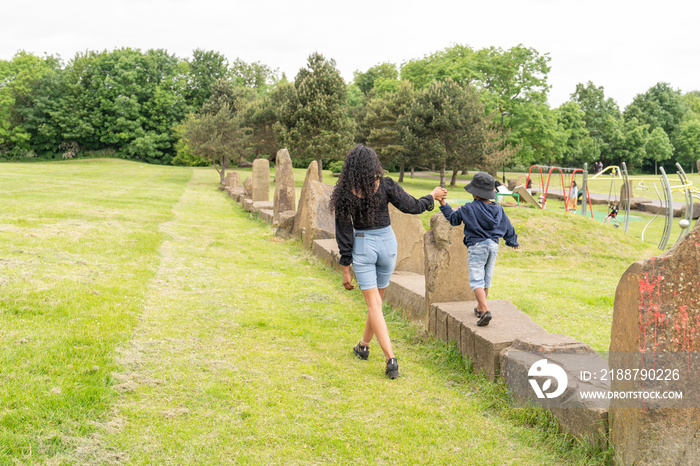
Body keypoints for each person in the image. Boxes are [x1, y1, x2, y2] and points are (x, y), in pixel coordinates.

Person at [330, 144, 446, 379]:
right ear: (373, 163)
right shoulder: (385, 184)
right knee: (377, 304)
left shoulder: (344, 193)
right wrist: (431, 196)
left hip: (363, 246)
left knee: (374, 305)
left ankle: (390, 358)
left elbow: (344, 233)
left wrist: (345, 269)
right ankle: (363, 345)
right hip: (387, 244)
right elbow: (412, 206)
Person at [437, 172, 519, 326]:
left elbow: (454, 219)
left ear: (474, 192)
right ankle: (480, 308)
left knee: (476, 281)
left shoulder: (469, 208)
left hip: (477, 246)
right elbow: (508, 227)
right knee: (486, 280)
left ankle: (486, 310)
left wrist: (443, 203)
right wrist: (512, 241)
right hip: (493, 247)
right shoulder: (499, 210)